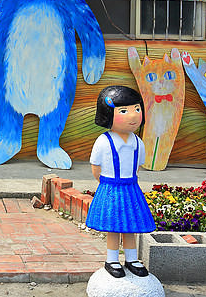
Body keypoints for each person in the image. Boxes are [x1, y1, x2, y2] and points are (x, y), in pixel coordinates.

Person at [85, 85, 156, 278]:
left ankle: (132, 259)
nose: (133, 116)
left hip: (131, 188)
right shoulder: (103, 141)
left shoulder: (138, 143)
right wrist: (108, 185)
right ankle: (112, 259)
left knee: (130, 225)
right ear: (108, 114)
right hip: (110, 188)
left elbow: (137, 167)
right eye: (124, 111)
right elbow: (96, 169)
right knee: (114, 226)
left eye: (137, 109)